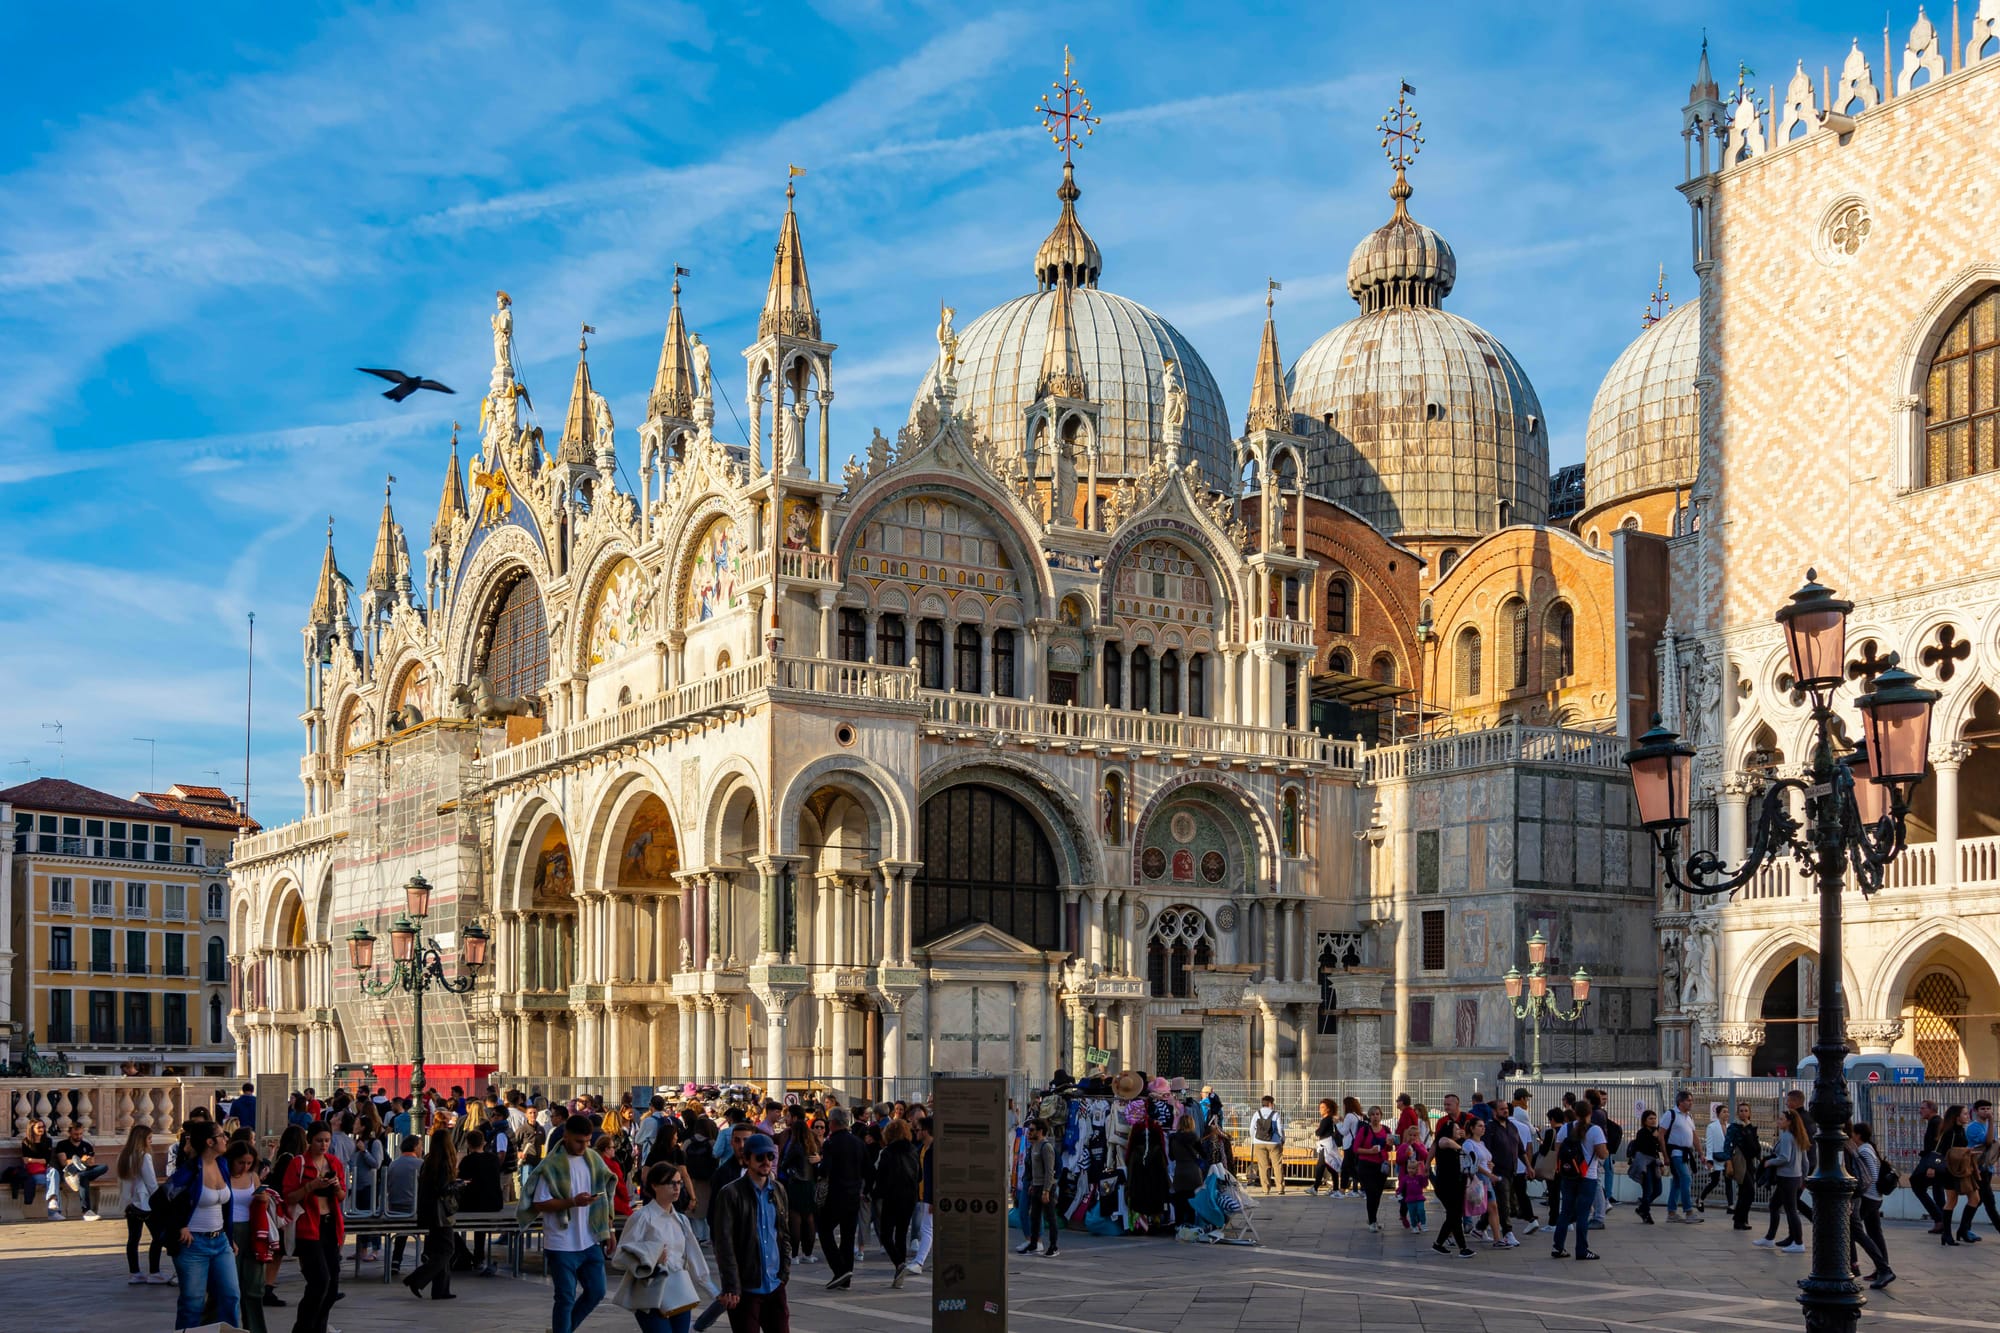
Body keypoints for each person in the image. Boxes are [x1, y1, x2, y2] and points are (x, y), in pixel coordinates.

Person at [520, 1114, 617, 1333]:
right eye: (579, 1141)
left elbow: (605, 1197)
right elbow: (540, 1203)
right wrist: (572, 1202)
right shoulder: (552, 1165)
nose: (584, 1146)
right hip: (561, 1242)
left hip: (591, 1238)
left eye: (587, 1141)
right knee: (565, 1298)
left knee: (597, 1291)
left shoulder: (593, 1159)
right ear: (566, 1136)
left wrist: (609, 1230)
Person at [612, 1162, 714, 1333]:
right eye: (671, 1183)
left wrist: (713, 1290)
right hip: (651, 1293)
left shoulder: (681, 1220)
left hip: (679, 1291)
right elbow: (620, 1257)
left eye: (679, 1182)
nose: (677, 1188)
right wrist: (649, 1257)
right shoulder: (642, 1218)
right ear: (655, 1185)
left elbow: (694, 1256)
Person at [162, 1119, 241, 1331]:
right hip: (194, 1244)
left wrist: (229, 1235)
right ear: (209, 1142)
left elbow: (226, 1206)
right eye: (221, 1135)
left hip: (220, 1241)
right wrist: (180, 1225)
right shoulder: (189, 1171)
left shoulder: (222, 1164)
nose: (226, 1139)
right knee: (193, 1302)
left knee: (231, 1295)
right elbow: (160, 1201)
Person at [711, 1132, 791, 1332]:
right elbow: (724, 1243)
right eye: (760, 1157)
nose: (766, 1162)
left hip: (775, 1284)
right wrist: (731, 1285)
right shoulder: (731, 1193)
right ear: (746, 1159)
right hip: (746, 1287)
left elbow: (784, 1234)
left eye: (770, 1157)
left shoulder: (779, 1190)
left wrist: (784, 1273)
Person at [281, 1121, 348, 1333]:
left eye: (327, 1140)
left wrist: (336, 1186)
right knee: (319, 1281)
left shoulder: (334, 1163)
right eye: (319, 1140)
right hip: (308, 1227)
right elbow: (289, 1197)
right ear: (310, 1140)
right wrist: (311, 1186)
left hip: (329, 1225)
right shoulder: (298, 1163)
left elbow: (342, 1196)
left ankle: (318, 1327)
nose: (323, 1144)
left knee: (332, 1285)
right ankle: (303, 1328)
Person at [403, 1128, 459, 1301]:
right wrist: (458, 1185)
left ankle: (441, 1289)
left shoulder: (429, 1161)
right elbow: (442, 1189)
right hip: (441, 1213)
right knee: (448, 1250)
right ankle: (417, 1278)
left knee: (438, 1250)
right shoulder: (443, 1162)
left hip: (429, 1211)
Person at [225, 1142, 274, 1333]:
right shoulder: (224, 1176)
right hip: (230, 1229)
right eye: (240, 1163)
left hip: (252, 1230)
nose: (244, 1167)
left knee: (254, 1285)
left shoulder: (253, 1176)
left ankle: (255, 1328)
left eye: (248, 1163)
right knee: (231, 1286)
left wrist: (263, 1198)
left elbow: (264, 1199)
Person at [816, 1107, 866, 1289]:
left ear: (833, 1123)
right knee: (847, 1236)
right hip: (853, 1196)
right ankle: (846, 1278)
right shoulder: (858, 1143)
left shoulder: (830, 1143)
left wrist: (819, 1167)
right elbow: (868, 1170)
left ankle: (839, 1269)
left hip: (835, 1195)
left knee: (824, 1230)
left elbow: (825, 1169)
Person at [1550, 1104, 1604, 1262]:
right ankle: (1582, 1249)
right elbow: (1602, 1154)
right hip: (1588, 1176)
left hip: (1568, 1175)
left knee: (1565, 1211)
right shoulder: (1595, 1130)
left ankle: (1557, 1246)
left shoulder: (1565, 1129)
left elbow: (1558, 1152)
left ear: (1574, 1113)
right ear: (1590, 1113)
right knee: (1583, 1214)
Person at [115, 1123, 167, 1283]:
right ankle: (154, 1271)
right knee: (158, 1236)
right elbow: (151, 1182)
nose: (151, 1141)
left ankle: (135, 1272)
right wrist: (160, 1201)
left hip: (130, 1203)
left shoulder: (123, 1156)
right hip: (145, 1203)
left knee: (133, 1238)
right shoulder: (144, 1156)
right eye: (149, 1138)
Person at [872, 1118, 921, 1287]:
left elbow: (882, 1178)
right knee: (901, 1234)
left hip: (892, 1197)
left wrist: (875, 1194)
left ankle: (899, 1264)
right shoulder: (913, 1150)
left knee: (886, 1234)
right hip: (910, 1197)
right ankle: (899, 1275)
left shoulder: (888, 1152)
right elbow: (919, 1175)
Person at [1753, 1107, 1808, 1254]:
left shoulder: (1786, 1136)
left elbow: (1785, 1157)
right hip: (1795, 1177)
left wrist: (1769, 1163)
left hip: (1787, 1177)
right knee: (1774, 1205)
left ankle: (1798, 1242)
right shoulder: (1798, 1136)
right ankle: (1770, 1238)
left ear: (1789, 1122)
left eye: (1781, 1119)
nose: (1778, 1121)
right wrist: (1803, 1178)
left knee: (1790, 1210)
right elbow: (1805, 1162)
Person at [1848, 1123, 1894, 1289]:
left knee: (1854, 1232)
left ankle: (1879, 1268)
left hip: (1868, 1196)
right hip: (1874, 1197)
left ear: (1858, 1135)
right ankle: (1882, 1268)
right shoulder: (1868, 1148)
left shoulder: (1864, 1151)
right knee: (1874, 1233)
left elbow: (1871, 1177)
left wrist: (1861, 1194)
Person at [777, 1105, 819, 1265]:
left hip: (796, 1184)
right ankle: (808, 1253)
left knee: (795, 1219)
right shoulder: (812, 1146)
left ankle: (794, 1254)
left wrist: (787, 1171)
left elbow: (784, 1164)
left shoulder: (795, 1147)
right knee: (809, 1220)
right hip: (809, 1185)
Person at [1428, 1119, 1472, 1257]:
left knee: (1454, 1215)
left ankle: (1438, 1244)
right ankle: (1463, 1248)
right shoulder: (1443, 1141)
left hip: (1458, 1185)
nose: (1459, 1130)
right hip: (1445, 1186)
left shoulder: (1460, 1143)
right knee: (1454, 1215)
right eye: (1456, 1128)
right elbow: (1444, 1141)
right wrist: (1460, 1148)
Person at [1661, 1090, 1702, 1223]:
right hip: (1675, 1153)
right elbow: (1661, 1135)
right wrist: (1665, 1155)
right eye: (1688, 1100)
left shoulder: (1689, 1117)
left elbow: (1694, 1137)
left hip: (1685, 1154)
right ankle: (1688, 1211)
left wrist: (1701, 1153)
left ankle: (1671, 1212)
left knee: (1678, 1182)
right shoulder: (1671, 1114)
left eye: (1691, 1100)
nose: (1691, 1103)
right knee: (1686, 1178)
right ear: (1680, 1102)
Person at [1350, 1106, 1393, 1233]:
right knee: (1371, 1192)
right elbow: (1355, 1148)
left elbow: (1388, 1149)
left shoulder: (1386, 1130)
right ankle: (1372, 1221)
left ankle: (1373, 1218)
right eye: (1373, 1114)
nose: (1375, 1116)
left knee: (1378, 1193)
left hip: (1381, 1165)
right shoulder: (1364, 1130)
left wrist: (1390, 1145)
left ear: (1381, 1116)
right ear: (1369, 1116)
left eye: (1377, 1114)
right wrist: (1370, 1151)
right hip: (1366, 1165)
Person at [53, 1121, 107, 1221]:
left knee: (104, 1167)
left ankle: (80, 1177)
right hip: (70, 1172)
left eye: (81, 1134)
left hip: (85, 1170)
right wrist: (79, 1160)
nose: (79, 1136)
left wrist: (88, 1160)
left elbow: (91, 1163)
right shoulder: (62, 1145)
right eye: (76, 1134)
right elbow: (63, 1162)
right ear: (70, 1133)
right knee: (83, 1178)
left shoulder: (87, 1146)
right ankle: (87, 1212)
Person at [4, 1117, 56, 1210]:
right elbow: (25, 1160)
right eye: (39, 1127)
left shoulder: (48, 1141)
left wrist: (32, 1159)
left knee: (54, 1173)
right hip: (34, 1172)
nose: (42, 1129)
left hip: (45, 1170)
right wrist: (39, 1160)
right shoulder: (26, 1142)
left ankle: (52, 1201)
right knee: (54, 1181)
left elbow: (46, 1160)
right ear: (32, 1129)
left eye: (43, 1127)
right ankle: (54, 1210)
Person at [1726, 1101, 1762, 1231]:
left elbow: (1755, 1145)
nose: (1743, 1113)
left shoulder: (1751, 1127)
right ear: (1737, 1113)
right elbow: (1727, 1145)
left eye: (1746, 1110)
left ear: (1750, 1113)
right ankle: (1740, 1219)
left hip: (1750, 1162)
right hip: (1739, 1161)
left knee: (1744, 1192)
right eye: (1741, 1111)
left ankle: (1741, 1220)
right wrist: (1728, 1162)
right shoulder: (1734, 1127)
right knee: (1749, 1190)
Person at [1168, 1112, 1205, 1230]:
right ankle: (1190, 1224)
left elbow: (1171, 1156)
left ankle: (1179, 1224)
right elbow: (1204, 1154)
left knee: (1179, 1200)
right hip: (1193, 1172)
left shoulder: (1173, 1138)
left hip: (1179, 1171)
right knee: (1192, 1199)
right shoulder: (1194, 1137)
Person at [1627, 1109, 1664, 1224]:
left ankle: (1642, 1206)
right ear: (1644, 1120)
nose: (1653, 1121)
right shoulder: (1642, 1133)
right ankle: (1646, 1213)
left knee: (1658, 1190)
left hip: (1654, 1164)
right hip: (1644, 1165)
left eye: (1654, 1118)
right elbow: (1645, 1149)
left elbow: (1656, 1151)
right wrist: (1654, 1138)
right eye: (1650, 1119)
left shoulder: (1656, 1132)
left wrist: (1661, 1164)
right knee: (1647, 1190)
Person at [1395, 1125, 1429, 1232]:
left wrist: (1418, 1147)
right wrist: (1406, 1155)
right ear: (1406, 1136)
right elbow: (1399, 1161)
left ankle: (1418, 1221)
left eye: (1415, 1135)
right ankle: (1403, 1215)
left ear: (1418, 1137)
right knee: (1405, 1200)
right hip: (1405, 1176)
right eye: (1410, 1135)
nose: (1412, 1137)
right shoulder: (1403, 1146)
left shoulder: (1421, 1146)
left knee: (1418, 1199)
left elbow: (1426, 1156)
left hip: (1418, 1177)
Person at [1700, 1102, 1732, 1214]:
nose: (1726, 1114)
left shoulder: (1730, 1127)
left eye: (1727, 1112)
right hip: (1715, 1158)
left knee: (1729, 1181)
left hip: (1727, 1158)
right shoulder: (1712, 1126)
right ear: (1718, 1114)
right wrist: (1709, 1160)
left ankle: (1731, 1206)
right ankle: (1700, 1199)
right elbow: (1709, 1143)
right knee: (1714, 1181)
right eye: (1724, 1112)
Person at [1249, 1095, 1285, 1194]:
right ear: (1270, 1104)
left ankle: (1265, 1189)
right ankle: (1280, 1188)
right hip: (1274, 1142)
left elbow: (1251, 1128)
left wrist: (1254, 1139)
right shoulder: (1275, 1114)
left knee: (1263, 1166)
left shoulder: (1256, 1114)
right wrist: (1282, 1139)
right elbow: (1280, 1129)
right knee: (1277, 1165)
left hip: (1259, 1142)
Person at [1310, 1099, 1340, 1196]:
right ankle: (1335, 1188)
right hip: (1328, 1144)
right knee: (1329, 1166)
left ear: (1328, 1109)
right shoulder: (1330, 1119)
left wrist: (1317, 1130)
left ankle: (1315, 1188)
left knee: (1322, 1165)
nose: (1320, 1110)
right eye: (1320, 1107)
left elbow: (1319, 1132)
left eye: (1322, 1107)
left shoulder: (1326, 1120)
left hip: (1325, 1145)